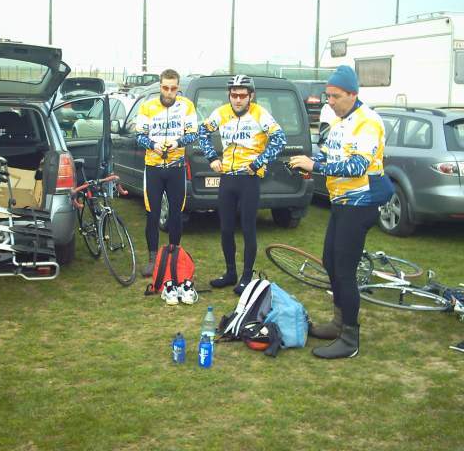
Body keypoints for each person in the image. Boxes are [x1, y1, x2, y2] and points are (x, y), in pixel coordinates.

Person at [289, 65, 393, 359]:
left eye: (334, 96)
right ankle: (337, 323)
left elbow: (357, 166)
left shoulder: (368, 122)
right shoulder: (339, 120)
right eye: (327, 96)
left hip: (360, 204)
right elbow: (332, 154)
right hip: (341, 203)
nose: (329, 102)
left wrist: (316, 166)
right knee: (330, 262)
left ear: (353, 94)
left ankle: (350, 339)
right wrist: (309, 159)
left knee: (344, 271)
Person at [199, 75, 286, 295]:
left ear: (251, 96)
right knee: (226, 228)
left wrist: (259, 162)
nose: (238, 99)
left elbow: (279, 138)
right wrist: (211, 157)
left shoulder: (259, 113)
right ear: (229, 95)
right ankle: (230, 273)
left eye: (242, 95)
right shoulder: (221, 113)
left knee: (248, 229)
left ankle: (247, 276)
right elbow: (202, 132)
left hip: (249, 178)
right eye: (234, 95)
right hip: (228, 177)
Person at [136, 69, 198, 278]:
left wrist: (177, 142)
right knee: (152, 214)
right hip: (153, 168)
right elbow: (139, 136)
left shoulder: (186, 106)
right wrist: (152, 144)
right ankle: (153, 258)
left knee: (175, 213)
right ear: (160, 86)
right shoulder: (147, 106)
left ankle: (173, 255)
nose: (169, 92)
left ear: (177, 88)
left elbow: (193, 134)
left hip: (176, 168)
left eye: (173, 88)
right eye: (165, 87)